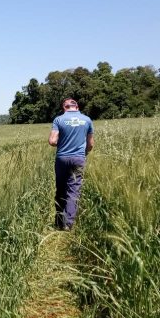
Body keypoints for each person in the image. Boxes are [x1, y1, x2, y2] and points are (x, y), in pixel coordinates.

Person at [48, 98, 94, 230]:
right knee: (73, 191)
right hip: (78, 159)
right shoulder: (87, 120)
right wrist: (84, 152)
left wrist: (63, 142)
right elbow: (91, 144)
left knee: (61, 190)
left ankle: (58, 222)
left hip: (62, 158)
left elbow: (52, 141)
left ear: (64, 107)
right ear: (77, 107)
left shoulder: (59, 120)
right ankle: (68, 224)